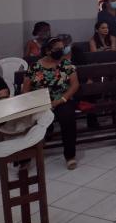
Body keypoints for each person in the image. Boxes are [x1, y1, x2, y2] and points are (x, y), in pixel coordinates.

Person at [22, 38, 79, 169]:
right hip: (39, 102)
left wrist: (61, 100)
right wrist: (33, 103)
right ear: (48, 51)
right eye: (57, 49)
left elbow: (75, 85)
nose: (61, 51)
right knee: (27, 120)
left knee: (68, 117)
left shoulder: (66, 64)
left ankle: (70, 156)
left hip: (61, 100)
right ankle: (24, 157)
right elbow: (25, 89)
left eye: (62, 48)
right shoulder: (35, 67)